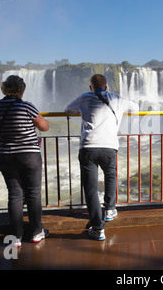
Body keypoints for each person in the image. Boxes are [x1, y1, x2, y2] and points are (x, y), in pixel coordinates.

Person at [64, 74, 138, 241]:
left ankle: (98, 228)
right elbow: (135, 108)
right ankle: (110, 209)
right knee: (110, 176)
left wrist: (83, 111)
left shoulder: (85, 97)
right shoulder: (116, 98)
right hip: (109, 147)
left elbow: (67, 109)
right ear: (106, 87)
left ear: (91, 87)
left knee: (91, 189)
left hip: (89, 147)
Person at [0, 75, 50, 246]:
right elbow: (44, 126)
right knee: (33, 194)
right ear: (22, 89)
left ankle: (16, 237)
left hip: (5, 156)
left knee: (15, 195)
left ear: (4, 89)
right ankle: (37, 232)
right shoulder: (26, 106)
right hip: (28, 155)